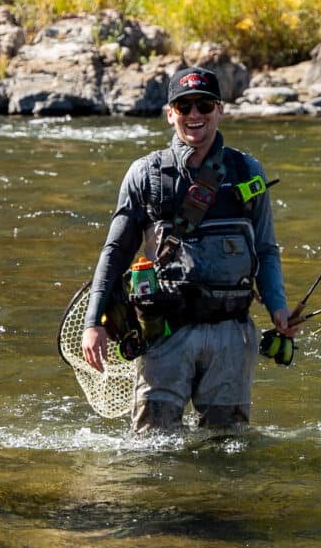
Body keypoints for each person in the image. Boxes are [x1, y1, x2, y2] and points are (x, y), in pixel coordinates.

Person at [80, 68, 298, 433]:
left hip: (232, 334)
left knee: (228, 449)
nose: (194, 115)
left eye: (204, 105)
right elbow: (115, 253)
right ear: (170, 114)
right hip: (166, 334)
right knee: (152, 448)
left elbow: (266, 249)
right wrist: (94, 323)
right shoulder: (145, 175)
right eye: (184, 106)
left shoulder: (247, 172)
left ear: (220, 110)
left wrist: (278, 306)